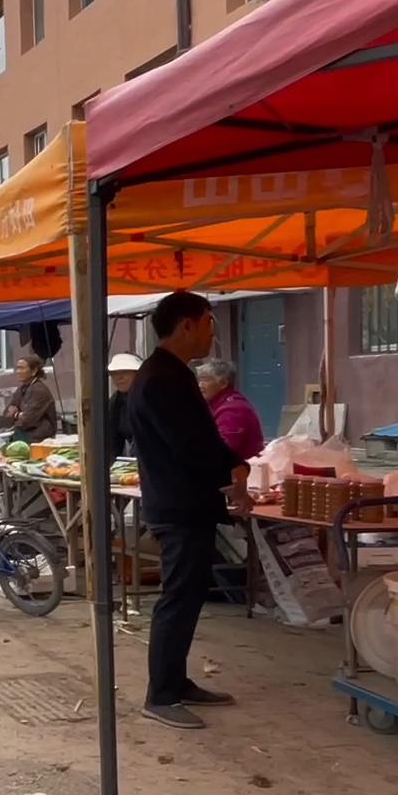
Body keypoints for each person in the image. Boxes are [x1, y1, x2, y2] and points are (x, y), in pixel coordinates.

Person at [127, 291, 252, 730]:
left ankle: (176, 682)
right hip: (177, 504)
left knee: (190, 594)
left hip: (186, 501)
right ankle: (160, 694)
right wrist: (233, 470)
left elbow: (198, 440)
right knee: (177, 597)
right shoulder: (161, 378)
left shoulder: (171, 374)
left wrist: (231, 469)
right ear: (186, 326)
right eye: (207, 324)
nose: (211, 334)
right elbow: (191, 444)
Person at [195, 358, 266, 461]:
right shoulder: (217, 404)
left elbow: (223, 449)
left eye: (206, 380)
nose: (200, 385)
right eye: (200, 380)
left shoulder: (232, 410)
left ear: (223, 383)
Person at [2, 356, 59, 443]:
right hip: (25, 436)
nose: (18, 372)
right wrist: (18, 415)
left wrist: (15, 415)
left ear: (34, 371)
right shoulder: (21, 389)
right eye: (17, 368)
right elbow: (6, 413)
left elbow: (28, 419)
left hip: (39, 438)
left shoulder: (39, 390)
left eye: (22, 368)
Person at [107, 353, 142, 461]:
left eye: (125, 372)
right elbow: (113, 439)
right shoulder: (116, 401)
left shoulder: (149, 397)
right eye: (114, 373)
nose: (119, 378)